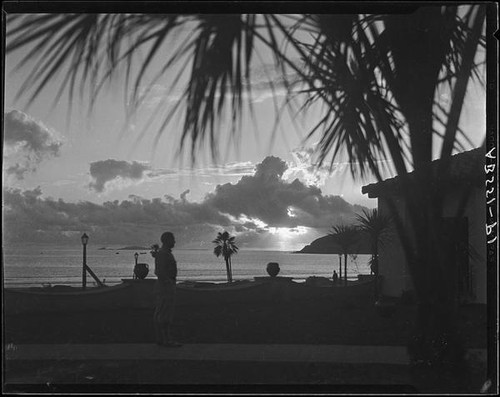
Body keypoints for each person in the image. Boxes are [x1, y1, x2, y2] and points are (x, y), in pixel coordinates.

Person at [152, 232, 182, 347]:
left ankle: (162, 339)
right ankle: (166, 339)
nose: (174, 242)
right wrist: (168, 282)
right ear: (167, 240)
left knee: (164, 313)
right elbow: (159, 272)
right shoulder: (163, 254)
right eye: (173, 239)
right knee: (164, 314)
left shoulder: (164, 253)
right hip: (165, 287)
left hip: (166, 286)